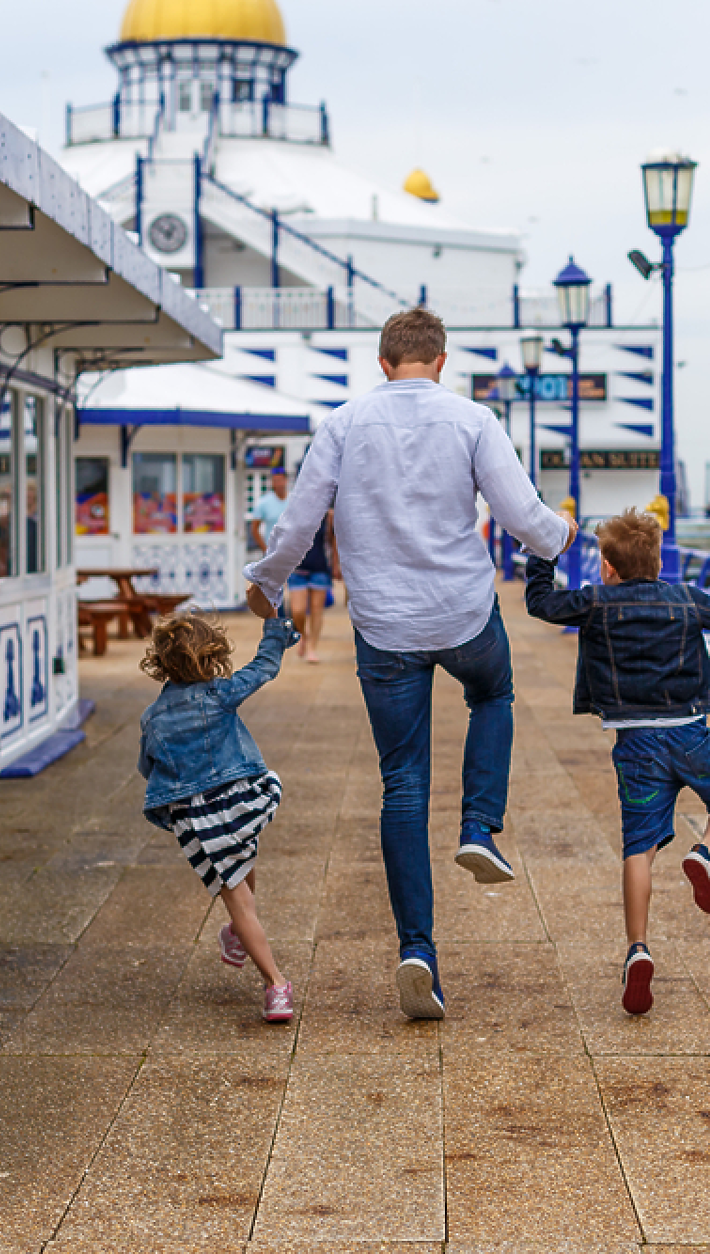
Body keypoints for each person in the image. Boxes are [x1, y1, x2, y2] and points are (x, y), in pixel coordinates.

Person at [245, 307, 577, 1020]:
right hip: (462, 613)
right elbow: (524, 516)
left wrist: (266, 583)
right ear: (442, 361)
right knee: (493, 695)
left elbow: (299, 521)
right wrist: (561, 534)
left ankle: (418, 951)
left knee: (402, 783)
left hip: (385, 625)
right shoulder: (472, 420)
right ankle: (479, 826)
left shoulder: (342, 423)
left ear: (384, 362)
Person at [523, 508, 710, 1017]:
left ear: (607, 566)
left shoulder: (596, 602)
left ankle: (638, 948)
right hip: (689, 733)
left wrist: (545, 550)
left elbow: (540, 602)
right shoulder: (685, 598)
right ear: (655, 561)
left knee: (638, 848)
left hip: (636, 745)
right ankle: (705, 853)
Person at [138, 611, 301, 1023]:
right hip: (240, 802)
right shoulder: (219, 694)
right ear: (210, 657)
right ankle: (274, 984)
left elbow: (149, 767)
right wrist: (276, 631)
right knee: (242, 888)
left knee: (238, 896)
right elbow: (264, 667)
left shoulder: (152, 719)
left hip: (202, 819)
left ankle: (237, 934)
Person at [284, 509, 339, 664]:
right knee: (297, 611)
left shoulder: (328, 516)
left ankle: (312, 648)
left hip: (320, 567)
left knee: (316, 610)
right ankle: (304, 636)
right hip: (297, 568)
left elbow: (333, 541)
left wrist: (336, 564)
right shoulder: (295, 511)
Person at [248, 467, 290, 551]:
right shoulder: (264, 502)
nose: (279, 484)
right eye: (276, 481)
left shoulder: (294, 500)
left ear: (286, 481)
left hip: (291, 551)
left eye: (281, 480)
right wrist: (265, 549)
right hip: (272, 551)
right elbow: (254, 528)